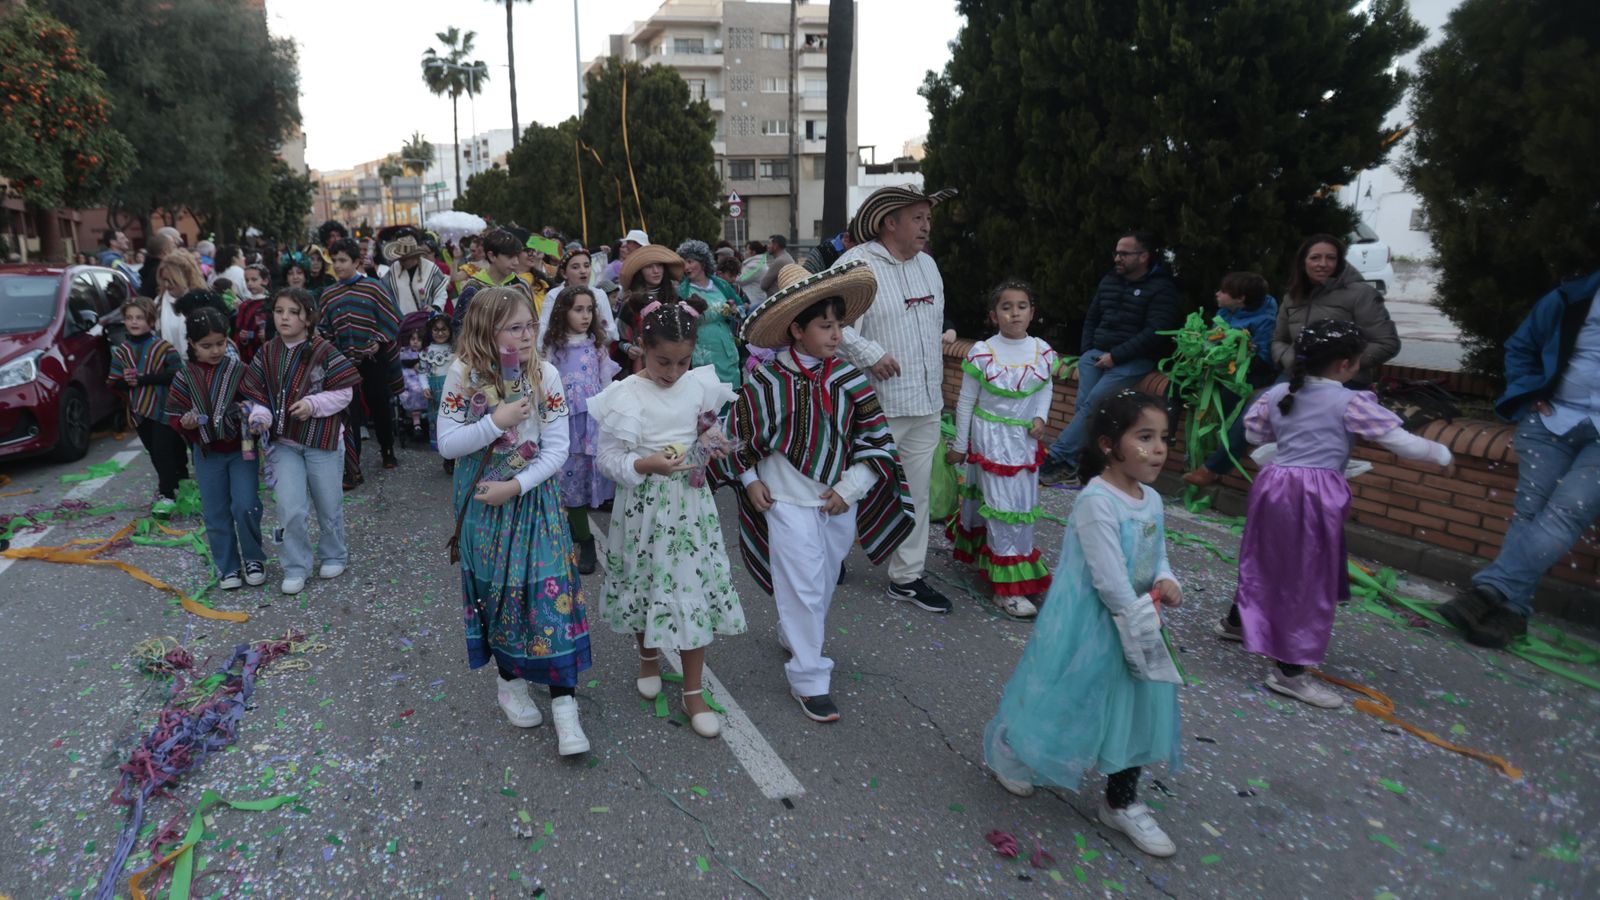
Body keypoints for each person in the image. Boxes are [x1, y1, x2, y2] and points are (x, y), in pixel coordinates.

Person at [982, 390, 1183, 859]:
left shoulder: (1152, 499)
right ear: (1109, 444)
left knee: (1135, 712)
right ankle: (1014, 750)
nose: (1158, 449)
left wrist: (1167, 579)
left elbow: (1158, 554)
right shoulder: (1096, 501)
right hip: (1094, 625)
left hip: (1139, 621)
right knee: (1066, 696)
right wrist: (1136, 619)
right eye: (1145, 437)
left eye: (1163, 438)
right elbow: (1109, 579)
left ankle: (1121, 801)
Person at [721, 261, 914, 723]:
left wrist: (852, 487)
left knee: (823, 583)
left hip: (836, 503)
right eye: (825, 326)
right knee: (805, 586)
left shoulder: (849, 379)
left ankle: (796, 634)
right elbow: (733, 436)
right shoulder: (766, 381)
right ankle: (809, 678)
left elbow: (877, 441)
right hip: (784, 501)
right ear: (797, 329)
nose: (836, 335)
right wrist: (750, 481)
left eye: (839, 325)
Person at [1228, 321, 1452, 707]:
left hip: (1272, 485)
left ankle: (1237, 621)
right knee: (1307, 577)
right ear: (1345, 364)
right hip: (1311, 495)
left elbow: (1253, 436)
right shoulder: (1350, 402)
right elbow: (1402, 443)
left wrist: (1294, 443)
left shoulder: (1277, 393)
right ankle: (1289, 672)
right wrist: (1442, 454)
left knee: (1266, 559)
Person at [436, 286, 591, 755]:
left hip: (534, 499)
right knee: (499, 595)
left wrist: (517, 486)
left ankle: (565, 706)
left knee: (550, 594)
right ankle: (511, 683)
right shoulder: (462, 375)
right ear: (486, 332)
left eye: (530, 327)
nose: (526, 337)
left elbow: (558, 448)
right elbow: (447, 444)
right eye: (514, 328)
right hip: (484, 504)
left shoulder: (546, 374)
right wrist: (495, 421)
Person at [588, 301, 745, 739]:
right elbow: (606, 458)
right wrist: (644, 465)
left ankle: (694, 691)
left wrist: (713, 441)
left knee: (690, 588)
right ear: (641, 347)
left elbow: (706, 426)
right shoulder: (625, 395)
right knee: (645, 582)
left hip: (690, 506)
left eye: (683, 361)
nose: (673, 372)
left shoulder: (698, 385)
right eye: (663, 362)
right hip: (642, 508)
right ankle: (648, 658)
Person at [1439, 268, 1600, 649]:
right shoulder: (1572, 297)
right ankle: (1513, 612)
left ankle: (1490, 589)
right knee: (1530, 513)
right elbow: (1522, 345)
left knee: (1568, 510)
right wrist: (1528, 393)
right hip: (1550, 420)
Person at [836, 184, 960, 613]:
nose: (926, 227)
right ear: (890, 222)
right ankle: (829, 554)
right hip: (874, 404)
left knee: (917, 494)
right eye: (918, 218)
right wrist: (869, 353)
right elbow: (828, 322)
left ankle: (907, 577)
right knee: (853, 484)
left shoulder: (929, 265)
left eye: (928, 219)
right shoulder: (857, 264)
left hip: (925, 401)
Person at [948, 280, 1061, 619]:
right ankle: (1006, 588)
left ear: (1032, 312)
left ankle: (1006, 562)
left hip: (1024, 442)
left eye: (1022, 306)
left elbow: (1045, 388)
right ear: (994, 315)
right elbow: (966, 401)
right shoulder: (982, 353)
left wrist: (1041, 417)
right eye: (1006, 307)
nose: (1015, 313)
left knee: (1021, 505)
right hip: (991, 439)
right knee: (1001, 506)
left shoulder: (1041, 351)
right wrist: (960, 444)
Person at [241, 287, 362, 595]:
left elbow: (344, 392)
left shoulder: (325, 351)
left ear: (308, 318)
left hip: (322, 440)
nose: (285, 318)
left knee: (328, 504)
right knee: (289, 507)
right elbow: (257, 394)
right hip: (284, 442)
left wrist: (312, 404)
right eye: (279, 311)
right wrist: (261, 415)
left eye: (293, 312)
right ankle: (295, 566)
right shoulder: (267, 353)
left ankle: (334, 555)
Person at [1040, 230, 1182, 485]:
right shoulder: (1109, 280)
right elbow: (1092, 317)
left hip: (1132, 360)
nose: (1117, 258)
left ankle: (1057, 458)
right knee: (1087, 408)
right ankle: (1086, 464)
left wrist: (1116, 356)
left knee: (1093, 406)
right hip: (1095, 356)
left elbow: (1155, 332)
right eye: (1116, 253)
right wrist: (1087, 351)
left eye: (1124, 254)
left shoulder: (1162, 289)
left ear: (1144, 256)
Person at [165, 307, 265, 591]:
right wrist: (186, 422)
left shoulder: (239, 370)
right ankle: (228, 566)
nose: (215, 351)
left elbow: (257, 401)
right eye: (206, 345)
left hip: (244, 446)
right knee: (215, 511)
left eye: (220, 343)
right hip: (207, 451)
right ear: (192, 344)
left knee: (246, 505)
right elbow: (174, 413)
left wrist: (250, 413)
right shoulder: (185, 376)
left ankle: (254, 559)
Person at [542, 285, 621, 575]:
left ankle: (579, 533)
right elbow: (542, 386)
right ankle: (584, 538)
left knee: (587, 481)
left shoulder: (597, 347)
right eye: (578, 310)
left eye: (589, 310)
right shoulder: (552, 348)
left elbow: (606, 385)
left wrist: (613, 419)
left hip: (591, 426)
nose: (585, 315)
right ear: (562, 312)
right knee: (568, 484)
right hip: (563, 425)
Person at [1182, 272, 1282, 487]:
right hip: (1219, 373)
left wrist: (1242, 353)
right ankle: (1183, 447)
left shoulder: (1265, 321)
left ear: (1240, 299)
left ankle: (1212, 460)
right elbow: (1212, 339)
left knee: (1225, 402)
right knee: (1183, 390)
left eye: (1223, 291)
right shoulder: (1224, 312)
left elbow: (1266, 360)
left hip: (1246, 379)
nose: (1217, 294)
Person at [318, 237, 403, 474]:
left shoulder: (374, 287)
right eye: (334, 261)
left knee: (379, 404)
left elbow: (392, 319)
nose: (338, 265)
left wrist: (378, 340)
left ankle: (387, 449)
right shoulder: (329, 294)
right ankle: (353, 465)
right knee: (350, 413)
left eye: (343, 260)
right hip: (343, 363)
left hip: (373, 359)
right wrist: (326, 341)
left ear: (356, 262)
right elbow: (324, 327)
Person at [1272, 233, 1400, 386]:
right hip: (1296, 375)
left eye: (1331, 258)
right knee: (1267, 400)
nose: (1323, 264)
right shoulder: (1292, 296)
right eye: (1315, 258)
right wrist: (1290, 360)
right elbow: (1279, 340)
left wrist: (1342, 366)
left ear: (1339, 262)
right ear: (1303, 262)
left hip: (1345, 381)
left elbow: (1386, 343)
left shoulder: (1361, 294)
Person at [108, 296, 186, 517]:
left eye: (140, 318)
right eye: (129, 318)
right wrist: (125, 381)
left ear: (151, 321)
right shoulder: (121, 351)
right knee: (154, 450)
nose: (134, 322)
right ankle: (177, 481)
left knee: (164, 450)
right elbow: (113, 381)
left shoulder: (163, 347)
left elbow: (176, 374)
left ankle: (168, 493)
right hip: (139, 410)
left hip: (164, 407)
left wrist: (143, 379)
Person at [676, 239, 744, 388]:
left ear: (702, 262)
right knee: (706, 390)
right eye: (683, 263)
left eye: (690, 261)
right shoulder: (682, 291)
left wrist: (734, 311)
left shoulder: (721, 284)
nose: (686, 267)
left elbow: (741, 307)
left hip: (726, 347)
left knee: (731, 389)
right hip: (700, 350)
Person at [616, 244, 687, 373]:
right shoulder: (631, 302)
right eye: (649, 266)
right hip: (643, 367)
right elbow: (618, 338)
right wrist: (629, 348)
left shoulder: (676, 299)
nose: (656, 271)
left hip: (675, 365)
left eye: (659, 265)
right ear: (640, 272)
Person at [453, 229, 531, 330]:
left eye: (517, 256)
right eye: (510, 256)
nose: (516, 262)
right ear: (492, 256)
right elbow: (460, 327)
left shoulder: (520, 285)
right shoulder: (474, 288)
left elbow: (531, 323)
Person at [538, 247, 619, 343]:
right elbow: (543, 333)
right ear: (564, 273)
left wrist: (595, 333)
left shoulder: (599, 294)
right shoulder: (554, 295)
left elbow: (612, 332)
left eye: (586, 266)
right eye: (576, 267)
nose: (583, 271)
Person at [380, 233, 449, 317]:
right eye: (399, 259)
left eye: (404, 259)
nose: (400, 262)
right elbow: (384, 291)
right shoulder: (394, 268)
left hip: (426, 320)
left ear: (414, 256)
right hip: (403, 321)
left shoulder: (430, 268)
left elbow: (441, 293)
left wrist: (435, 307)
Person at [420, 314, 456, 461]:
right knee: (437, 419)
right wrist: (425, 387)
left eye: (444, 329)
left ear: (450, 330)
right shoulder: (426, 352)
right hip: (434, 392)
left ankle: (454, 447)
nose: (440, 333)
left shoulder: (454, 350)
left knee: (452, 417)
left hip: (452, 390)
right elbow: (422, 372)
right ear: (430, 331)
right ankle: (442, 448)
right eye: (436, 329)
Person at [154, 253, 208, 349]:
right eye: (164, 279)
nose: (167, 284)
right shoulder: (158, 302)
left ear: (185, 277)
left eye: (172, 280)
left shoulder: (201, 300)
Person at [397, 326, 430, 440]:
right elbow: (402, 362)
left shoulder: (426, 352)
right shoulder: (404, 352)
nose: (415, 342)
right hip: (408, 378)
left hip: (422, 377)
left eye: (419, 340)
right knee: (414, 389)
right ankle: (416, 423)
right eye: (413, 339)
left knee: (423, 388)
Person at [737, 240, 770, 308]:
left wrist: (729, 277)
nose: (745, 253)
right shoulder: (758, 262)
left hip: (754, 302)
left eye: (746, 250)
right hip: (755, 299)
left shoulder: (755, 266)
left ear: (753, 252)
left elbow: (740, 279)